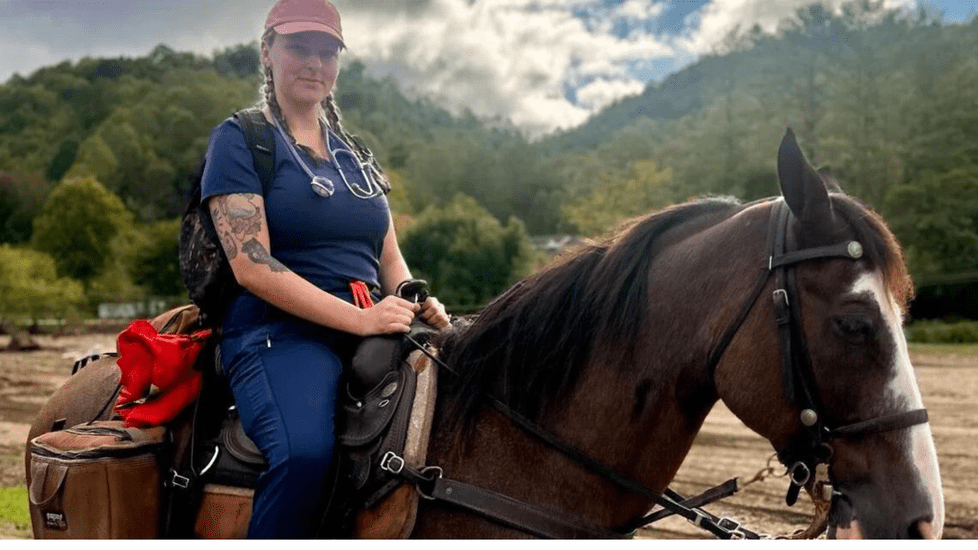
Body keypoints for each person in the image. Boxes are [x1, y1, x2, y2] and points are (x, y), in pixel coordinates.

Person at [199, 0, 450, 538]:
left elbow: (388, 256)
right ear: (268, 52)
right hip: (277, 334)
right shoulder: (242, 139)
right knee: (305, 454)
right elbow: (253, 266)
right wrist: (359, 321)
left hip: (375, 323)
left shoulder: (355, 155)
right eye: (298, 48)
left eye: (326, 51)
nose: (314, 63)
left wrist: (412, 296)